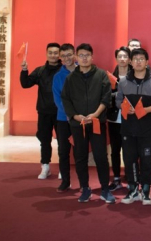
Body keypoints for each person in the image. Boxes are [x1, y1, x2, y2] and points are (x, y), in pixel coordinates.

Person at [61, 43, 113, 204]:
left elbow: (106, 97)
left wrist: (96, 114)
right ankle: (85, 188)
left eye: (87, 55)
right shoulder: (71, 78)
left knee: (101, 156)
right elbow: (66, 100)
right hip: (78, 124)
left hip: (97, 122)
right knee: (80, 157)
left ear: (92, 57)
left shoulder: (101, 74)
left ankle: (105, 189)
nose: (84, 58)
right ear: (77, 57)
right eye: (81, 55)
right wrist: (76, 116)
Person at [115, 48, 151, 205]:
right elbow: (117, 101)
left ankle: (146, 190)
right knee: (129, 159)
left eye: (141, 59)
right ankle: (132, 189)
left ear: (147, 62)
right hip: (128, 128)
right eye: (135, 59)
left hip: (147, 129)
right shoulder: (123, 82)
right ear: (131, 62)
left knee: (146, 160)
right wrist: (124, 107)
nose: (138, 61)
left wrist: (145, 110)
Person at [20, 42, 62, 179]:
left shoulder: (64, 71)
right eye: (50, 52)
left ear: (59, 54)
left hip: (61, 112)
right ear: (46, 54)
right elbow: (25, 84)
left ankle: (63, 168)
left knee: (62, 141)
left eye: (56, 53)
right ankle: (45, 166)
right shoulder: (40, 71)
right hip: (44, 112)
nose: (53, 55)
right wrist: (24, 70)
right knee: (44, 140)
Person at [106, 46, 131, 192]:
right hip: (114, 119)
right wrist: (116, 95)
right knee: (115, 150)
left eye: (125, 56)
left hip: (131, 118)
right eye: (119, 56)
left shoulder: (134, 76)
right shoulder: (109, 77)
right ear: (116, 59)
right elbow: (104, 96)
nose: (122, 59)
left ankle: (130, 177)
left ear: (129, 59)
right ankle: (116, 178)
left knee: (130, 150)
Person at [51, 43, 76, 192]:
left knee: (80, 152)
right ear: (60, 57)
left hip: (80, 119)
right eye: (64, 56)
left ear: (74, 55)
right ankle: (65, 181)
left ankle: (84, 183)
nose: (67, 58)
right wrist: (70, 114)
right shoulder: (58, 76)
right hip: (63, 119)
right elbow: (57, 99)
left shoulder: (83, 71)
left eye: (69, 55)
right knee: (63, 151)